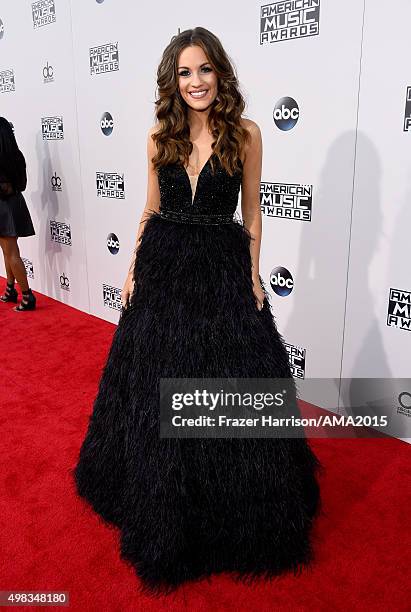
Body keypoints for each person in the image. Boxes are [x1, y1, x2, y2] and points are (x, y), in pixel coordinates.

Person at [73, 27, 323, 596]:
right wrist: (134, 267)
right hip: (162, 267)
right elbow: (148, 208)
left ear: (220, 74)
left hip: (218, 270)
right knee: (155, 387)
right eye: (185, 73)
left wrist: (253, 274)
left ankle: (226, 507)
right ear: (172, 80)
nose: (195, 82)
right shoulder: (160, 135)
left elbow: (254, 215)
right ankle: (159, 500)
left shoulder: (248, 134)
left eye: (204, 70)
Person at [0, 117, 36, 311]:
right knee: (8, 251)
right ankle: (10, 290)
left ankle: (28, 296)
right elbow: (22, 184)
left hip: (3, 207)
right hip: (15, 202)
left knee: (11, 253)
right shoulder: (17, 155)